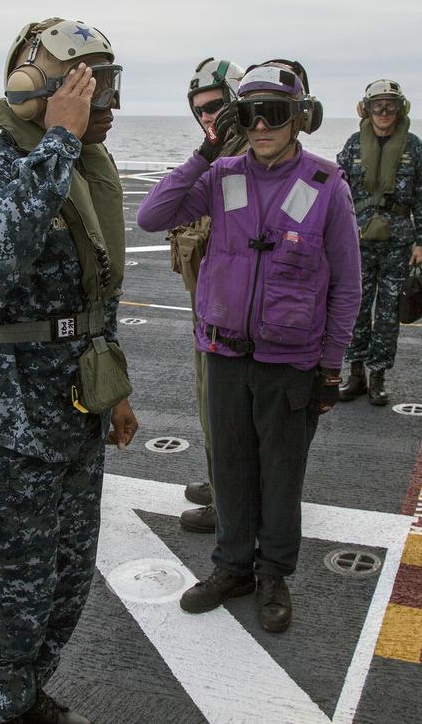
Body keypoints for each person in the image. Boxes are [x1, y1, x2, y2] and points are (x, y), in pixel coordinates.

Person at [0, 18, 138, 724]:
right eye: (89, 88)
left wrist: (116, 391)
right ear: (45, 93)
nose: (105, 103)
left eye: (109, 86)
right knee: (10, 595)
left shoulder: (88, 169)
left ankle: (22, 699)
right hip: (4, 425)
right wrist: (56, 143)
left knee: (66, 586)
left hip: (75, 410)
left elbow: (96, 295)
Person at [136, 60, 360, 633]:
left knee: (281, 474)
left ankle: (272, 575)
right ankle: (232, 566)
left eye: (275, 114)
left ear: (299, 118)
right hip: (225, 354)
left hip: (290, 359)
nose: (262, 126)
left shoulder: (325, 186)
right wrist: (205, 153)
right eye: (250, 113)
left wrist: (330, 368)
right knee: (231, 469)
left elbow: (347, 286)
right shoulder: (222, 176)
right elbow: (151, 216)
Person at [170, 58, 249, 535]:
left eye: (216, 107)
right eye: (199, 110)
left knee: (224, 412)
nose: (207, 117)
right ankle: (222, 484)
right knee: (210, 406)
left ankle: (230, 503)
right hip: (206, 307)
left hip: (230, 315)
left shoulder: (242, 161)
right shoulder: (217, 156)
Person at [336, 79, 422, 406]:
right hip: (358, 241)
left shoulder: (414, 147)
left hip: (398, 243)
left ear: (400, 108)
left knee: (389, 312)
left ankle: (378, 376)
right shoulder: (352, 145)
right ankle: (356, 375)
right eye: (377, 105)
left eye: (390, 106)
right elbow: (338, 193)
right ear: (366, 109)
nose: (383, 112)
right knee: (356, 309)